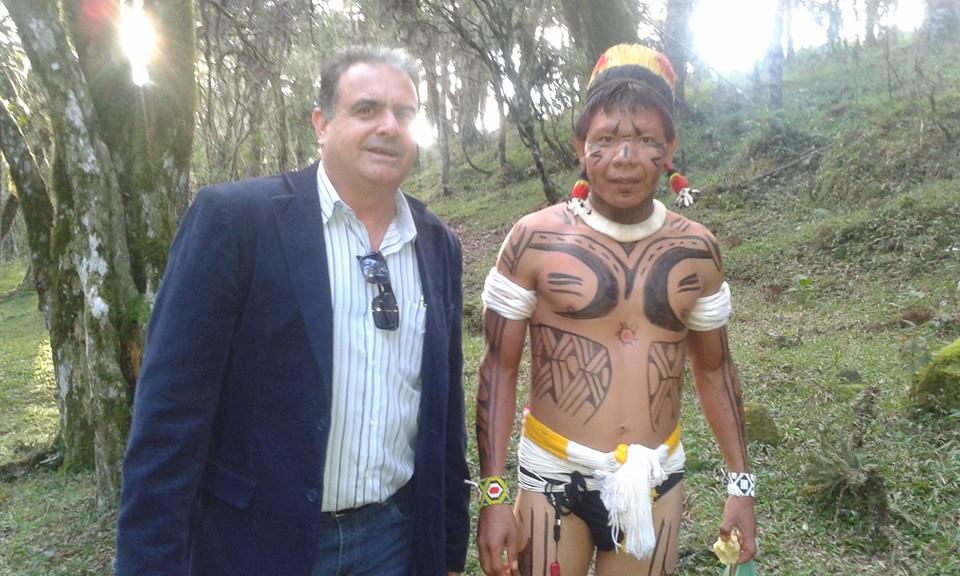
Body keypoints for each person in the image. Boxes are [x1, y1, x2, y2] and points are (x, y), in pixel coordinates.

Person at [115, 45, 470, 576]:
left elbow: (444, 407)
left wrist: (448, 544)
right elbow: (169, 417)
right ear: (322, 124)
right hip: (261, 544)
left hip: (394, 540)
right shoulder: (236, 222)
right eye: (367, 109)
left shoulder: (437, 244)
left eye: (405, 113)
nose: (389, 127)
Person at [474, 44, 757, 576]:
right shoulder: (532, 240)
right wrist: (493, 495)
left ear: (670, 150)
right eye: (606, 139)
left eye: (646, 139)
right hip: (551, 477)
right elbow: (498, 368)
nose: (625, 157)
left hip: (654, 482)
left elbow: (715, 369)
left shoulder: (697, 251)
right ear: (580, 147)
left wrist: (741, 484)